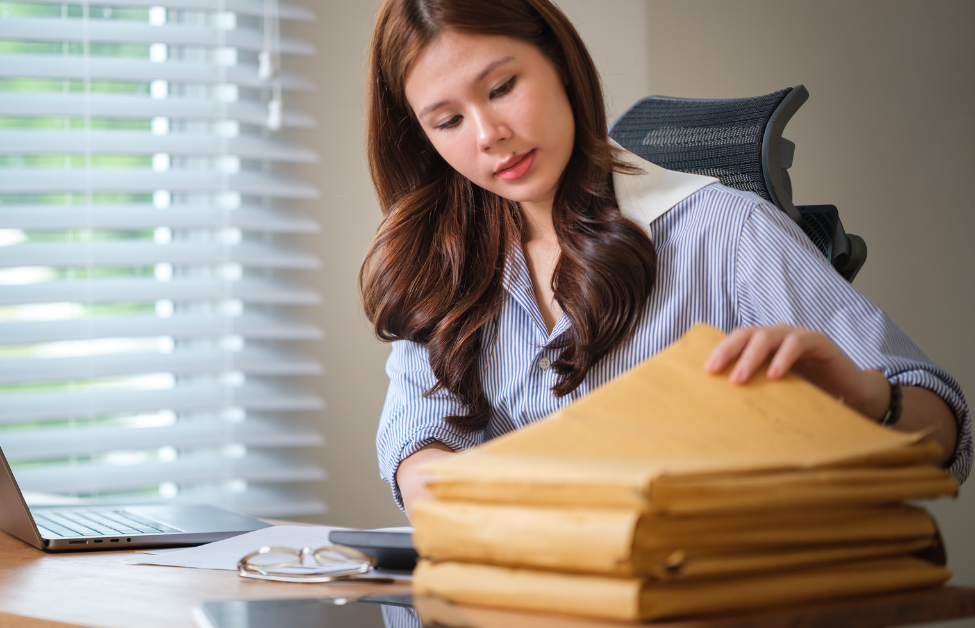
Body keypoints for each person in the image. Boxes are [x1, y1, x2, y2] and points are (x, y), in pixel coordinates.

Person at [360, 0, 971, 517]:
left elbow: (941, 424)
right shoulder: (448, 268)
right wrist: (455, 492)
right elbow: (416, 444)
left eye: (502, 88)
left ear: (560, 64)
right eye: (447, 121)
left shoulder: (727, 233)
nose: (487, 133)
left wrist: (869, 401)